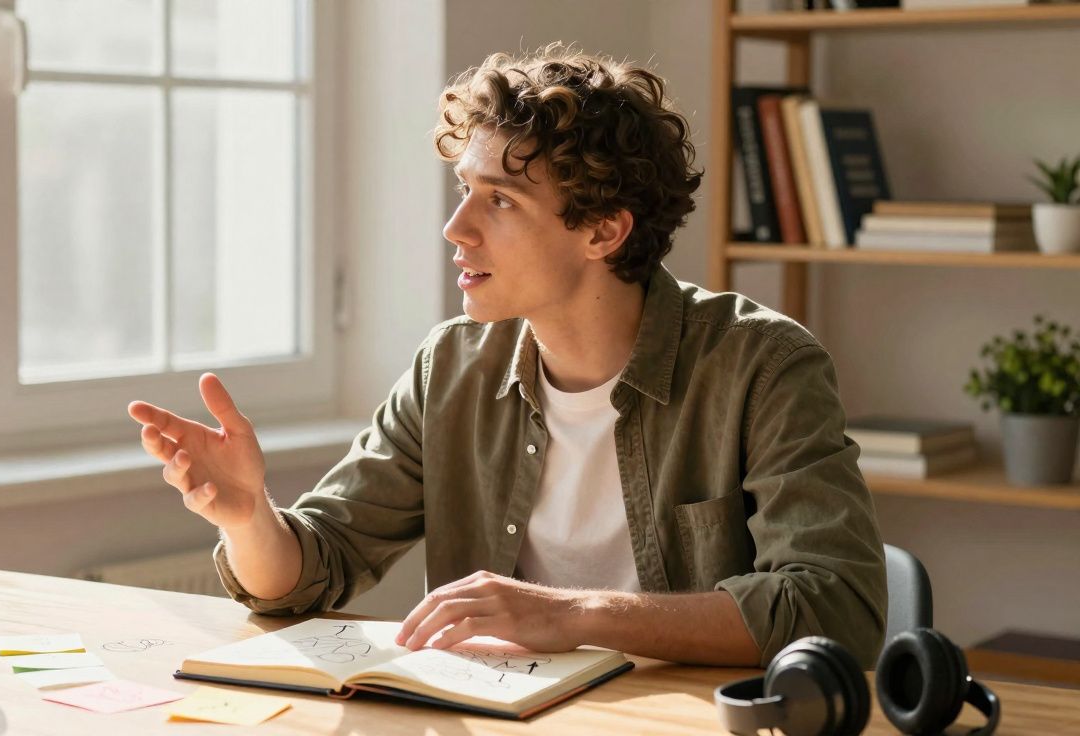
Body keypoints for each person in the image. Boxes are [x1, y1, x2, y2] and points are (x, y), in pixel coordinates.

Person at [128, 44, 887, 669]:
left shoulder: (763, 367)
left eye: (499, 200)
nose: (456, 227)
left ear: (603, 231)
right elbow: (312, 569)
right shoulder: (452, 367)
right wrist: (249, 518)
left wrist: (573, 615)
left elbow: (834, 608)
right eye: (464, 190)